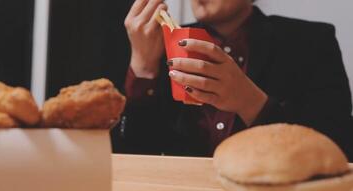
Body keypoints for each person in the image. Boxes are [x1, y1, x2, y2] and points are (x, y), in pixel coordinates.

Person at [113, 0, 353, 160]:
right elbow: (133, 154)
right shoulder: (160, 42)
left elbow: (337, 149)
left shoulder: (311, 42)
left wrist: (252, 103)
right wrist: (143, 67)